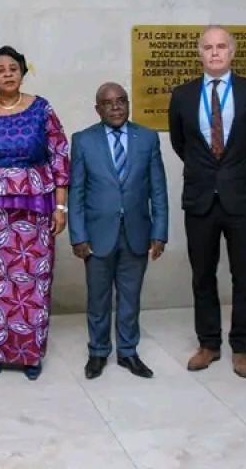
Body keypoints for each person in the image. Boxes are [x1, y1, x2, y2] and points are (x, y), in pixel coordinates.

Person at [168, 26, 246, 378]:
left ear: (232, 52)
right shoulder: (181, 95)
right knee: (202, 275)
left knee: (244, 276)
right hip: (200, 199)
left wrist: (232, 174)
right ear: (199, 53)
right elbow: (181, 145)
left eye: (221, 46)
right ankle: (209, 343)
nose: (215, 52)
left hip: (241, 199)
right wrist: (208, 175)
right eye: (208, 47)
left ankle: (241, 346)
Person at [0, 46, 70, 380]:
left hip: (34, 206)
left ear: (22, 73)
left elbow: (59, 154)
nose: (7, 73)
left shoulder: (41, 109)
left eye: (13, 68)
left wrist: (61, 204)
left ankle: (30, 353)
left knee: (32, 280)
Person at [69, 82, 168, 380]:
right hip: (98, 235)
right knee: (98, 298)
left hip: (137, 232)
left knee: (130, 297)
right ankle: (98, 352)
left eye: (121, 101)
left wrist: (160, 232)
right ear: (98, 109)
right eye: (108, 103)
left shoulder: (147, 138)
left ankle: (128, 352)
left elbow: (158, 190)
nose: (116, 107)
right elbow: (76, 192)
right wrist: (78, 235)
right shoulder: (84, 141)